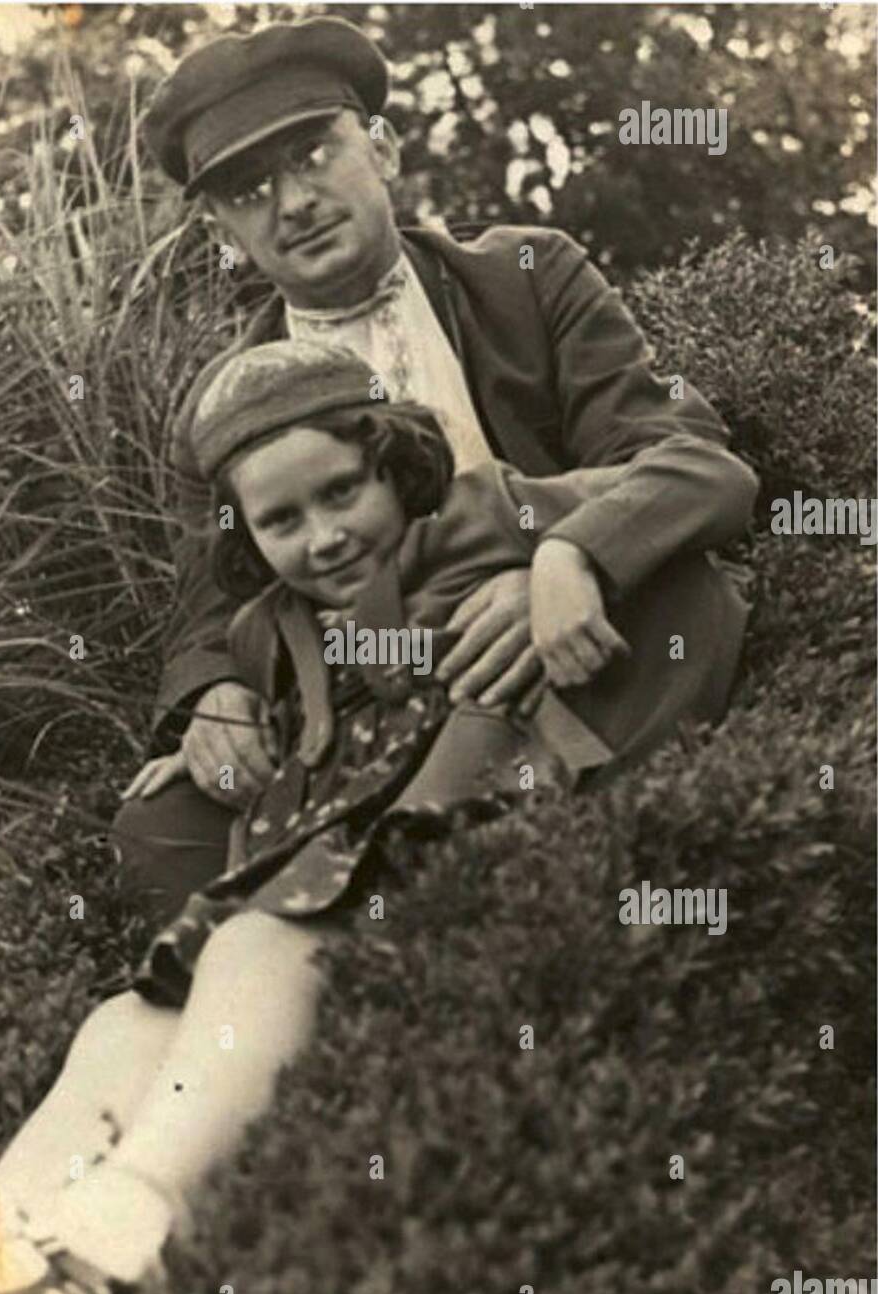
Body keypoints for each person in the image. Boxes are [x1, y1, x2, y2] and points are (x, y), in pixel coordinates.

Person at [0, 340, 751, 1294]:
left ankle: (132, 1219)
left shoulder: (481, 513)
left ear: (399, 466)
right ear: (245, 536)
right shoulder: (267, 631)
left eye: (344, 492)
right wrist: (218, 748)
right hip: (345, 860)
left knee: (257, 945)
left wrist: (569, 551)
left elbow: (709, 472)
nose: (325, 537)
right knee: (128, 1018)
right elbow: (304, 747)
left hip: (474, 825)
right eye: (282, 520)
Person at [114, 15, 759, 924]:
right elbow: (208, 608)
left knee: (674, 601)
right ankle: (330, 984)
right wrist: (211, 695)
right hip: (355, 700)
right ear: (221, 224)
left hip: (531, 632)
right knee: (159, 828)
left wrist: (562, 554)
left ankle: (469, 919)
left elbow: (689, 462)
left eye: (313, 153)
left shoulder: (528, 276)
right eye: (250, 189)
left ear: (380, 149)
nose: (293, 202)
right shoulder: (222, 406)